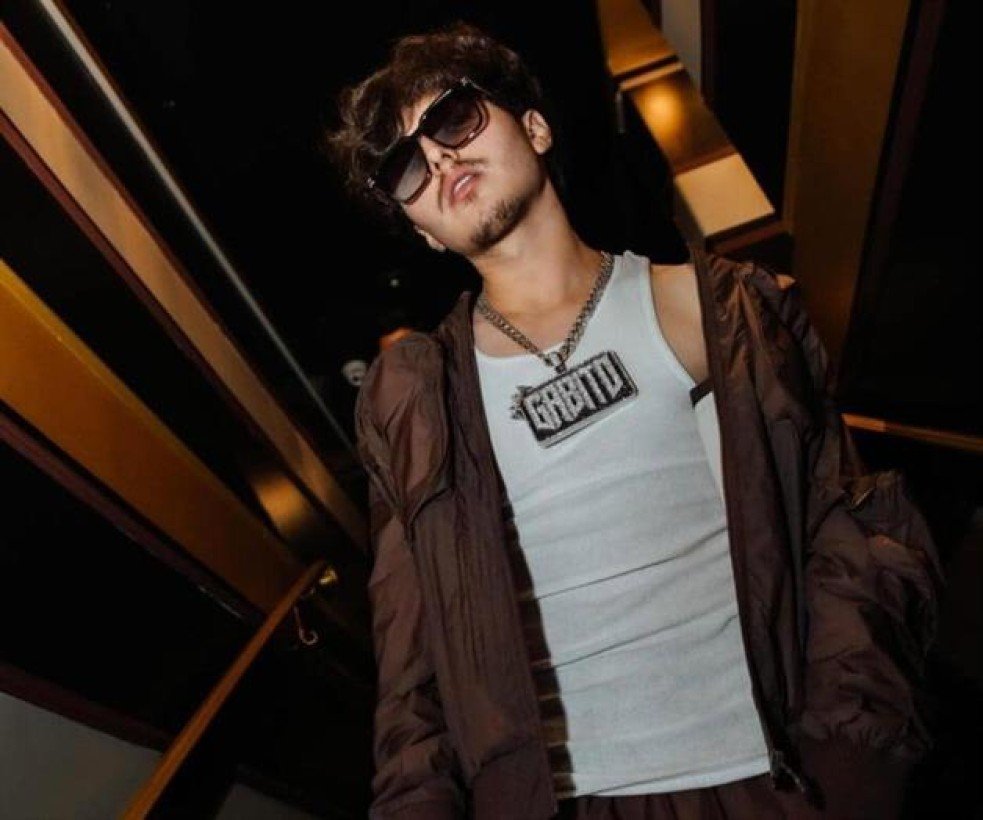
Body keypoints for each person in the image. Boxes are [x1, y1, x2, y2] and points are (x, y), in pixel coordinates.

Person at [324, 20, 943, 820]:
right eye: (406, 168)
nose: (438, 160)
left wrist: (848, 765)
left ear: (535, 127)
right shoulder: (414, 400)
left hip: (763, 779)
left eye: (453, 119)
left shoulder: (720, 310)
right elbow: (408, 655)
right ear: (421, 231)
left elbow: (845, 533)